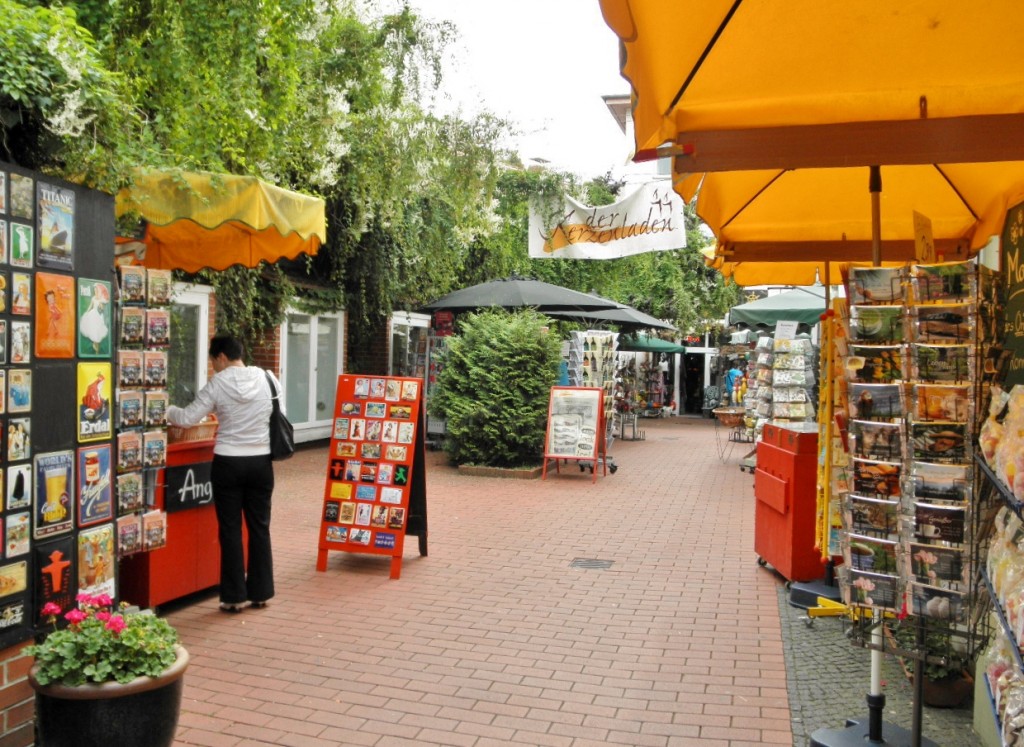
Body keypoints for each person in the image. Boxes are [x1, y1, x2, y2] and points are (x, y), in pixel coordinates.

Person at [166, 334, 279, 613]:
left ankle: (233, 597)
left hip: (228, 462)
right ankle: (261, 593)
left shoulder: (218, 383)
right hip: (261, 461)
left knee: (230, 530)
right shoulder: (268, 378)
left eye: (213, 361)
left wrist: (163, 407)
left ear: (221, 357)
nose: (213, 367)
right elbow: (279, 413)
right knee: (259, 527)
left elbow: (188, 418)